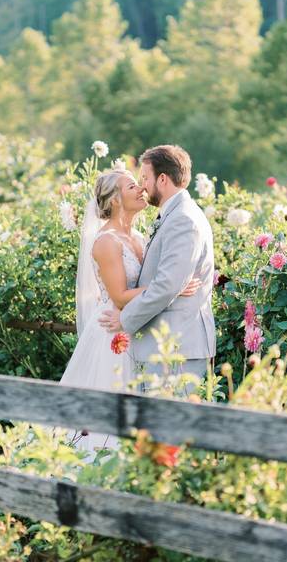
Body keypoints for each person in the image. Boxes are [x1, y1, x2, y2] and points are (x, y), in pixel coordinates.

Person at [61, 167, 201, 455]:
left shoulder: (138, 236)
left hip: (137, 329)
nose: (141, 190)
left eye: (139, 184)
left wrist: (170, 285)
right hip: (113, 333)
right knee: (110, 416)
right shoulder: (105, 242)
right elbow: (120, 296)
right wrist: (173, 287)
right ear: (114, 200)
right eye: (131, 187)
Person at [99, 144, 216, 390]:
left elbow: (167, 286)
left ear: (162, 179)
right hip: (165, 347)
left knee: (167, 427)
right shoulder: (174, 215)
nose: (142, 186)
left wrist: (125, 319)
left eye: (144, 178)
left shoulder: (183, 219)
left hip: (176, 348)